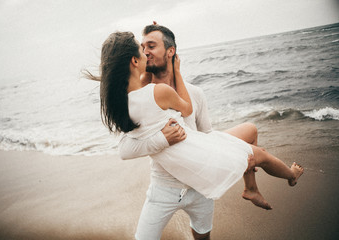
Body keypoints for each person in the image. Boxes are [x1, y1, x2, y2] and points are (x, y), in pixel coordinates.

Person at [92, 29, 304, 240]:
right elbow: (130, 146)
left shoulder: (127, 102)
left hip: (199, 178)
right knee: (259, 154)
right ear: (135, 61)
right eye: (142, 47)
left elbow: (206, 133)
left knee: (251, 133)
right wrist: (163, 138)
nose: (146, 51)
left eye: (151, 46)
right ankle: (288, 175)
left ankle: (251, 187)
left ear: (171, 51)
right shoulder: (153, 92)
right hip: (169, 185)